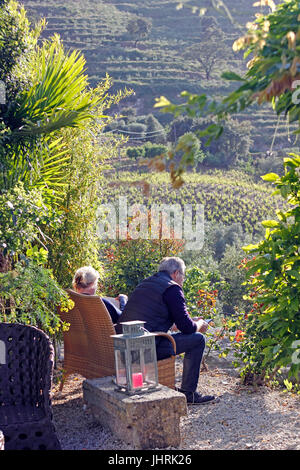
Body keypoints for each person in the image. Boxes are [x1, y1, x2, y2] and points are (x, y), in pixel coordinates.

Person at [116, 257, 216, 405]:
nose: (183, 279)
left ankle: (185, 391)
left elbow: (154, 316)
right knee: (198, 339)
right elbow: (187, 328)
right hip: (145, 349)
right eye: (183, 275)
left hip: (123, 345)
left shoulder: (146, 283)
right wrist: (200, 323)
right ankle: (189, 394)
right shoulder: (172, 288)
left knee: (189, 336)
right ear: (176, 273)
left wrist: (187, 320)